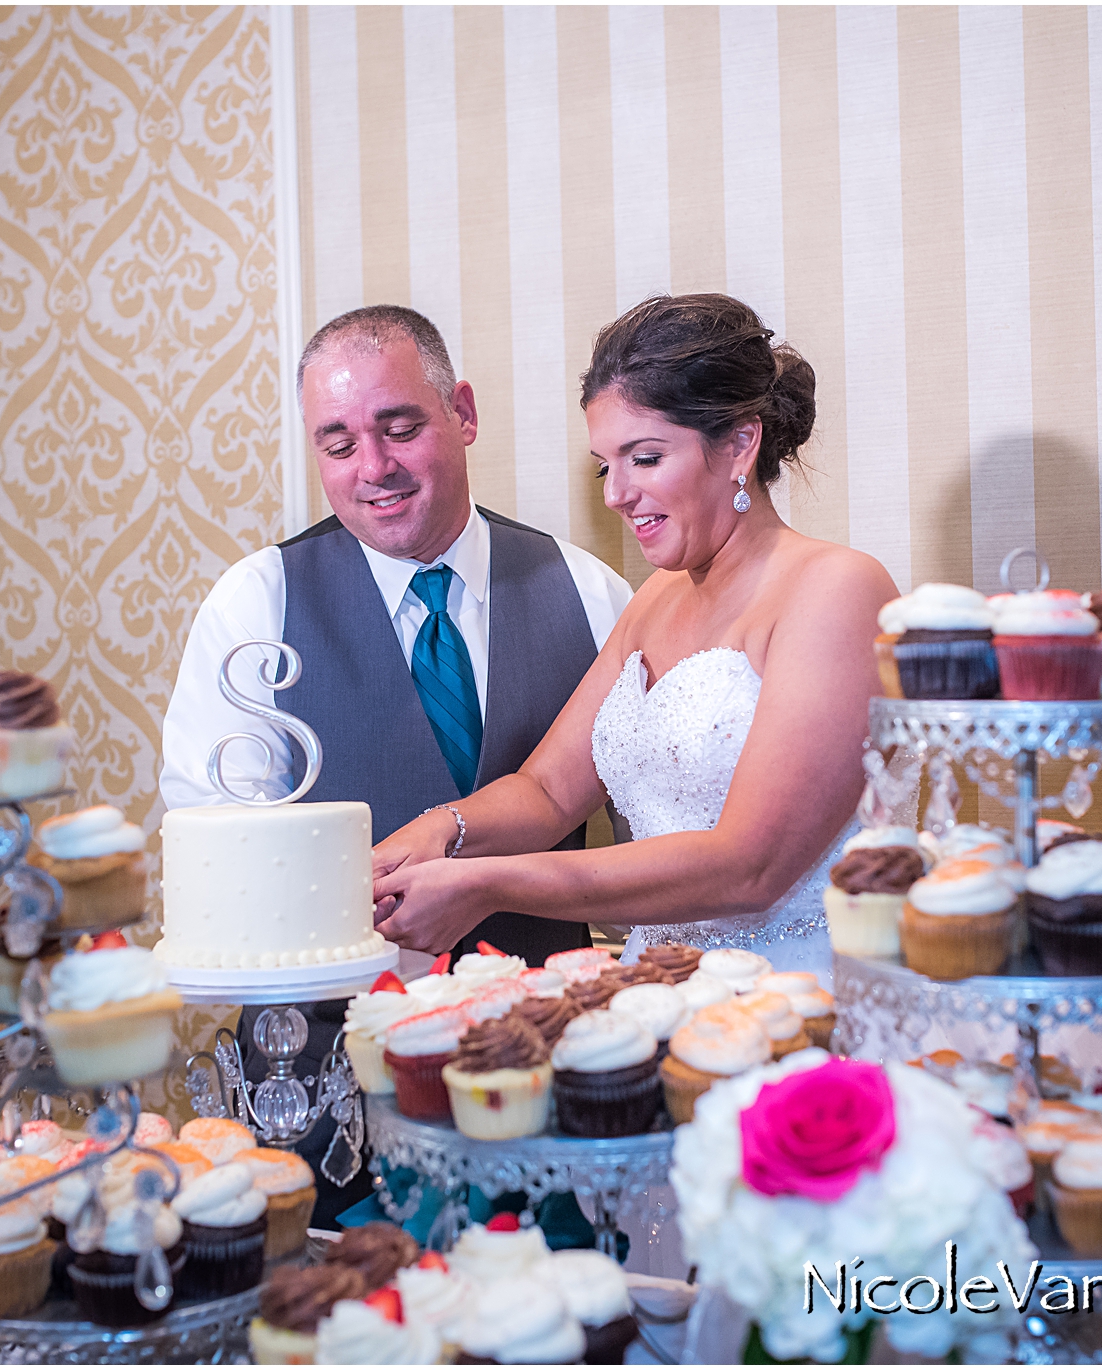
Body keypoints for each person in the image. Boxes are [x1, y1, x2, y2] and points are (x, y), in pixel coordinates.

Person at [158, 305, 631, 1225]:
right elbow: (227, 878)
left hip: (547, 1099)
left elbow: (657, 849)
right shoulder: (253, 606)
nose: (371, 468)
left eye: (399, 427)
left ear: (463, 411)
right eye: (337, 443)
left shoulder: (586, 591)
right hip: (324, 1104)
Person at [371, 294, 897, 982]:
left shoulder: (838, 590)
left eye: (644, 458)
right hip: (662, 990)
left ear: (740, 443)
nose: (616, 493)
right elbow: (550, 792)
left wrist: (492, 883)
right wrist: (446, 827)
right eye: (604, 465)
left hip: (806, 995)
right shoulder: (656, 598)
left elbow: (752, 867)